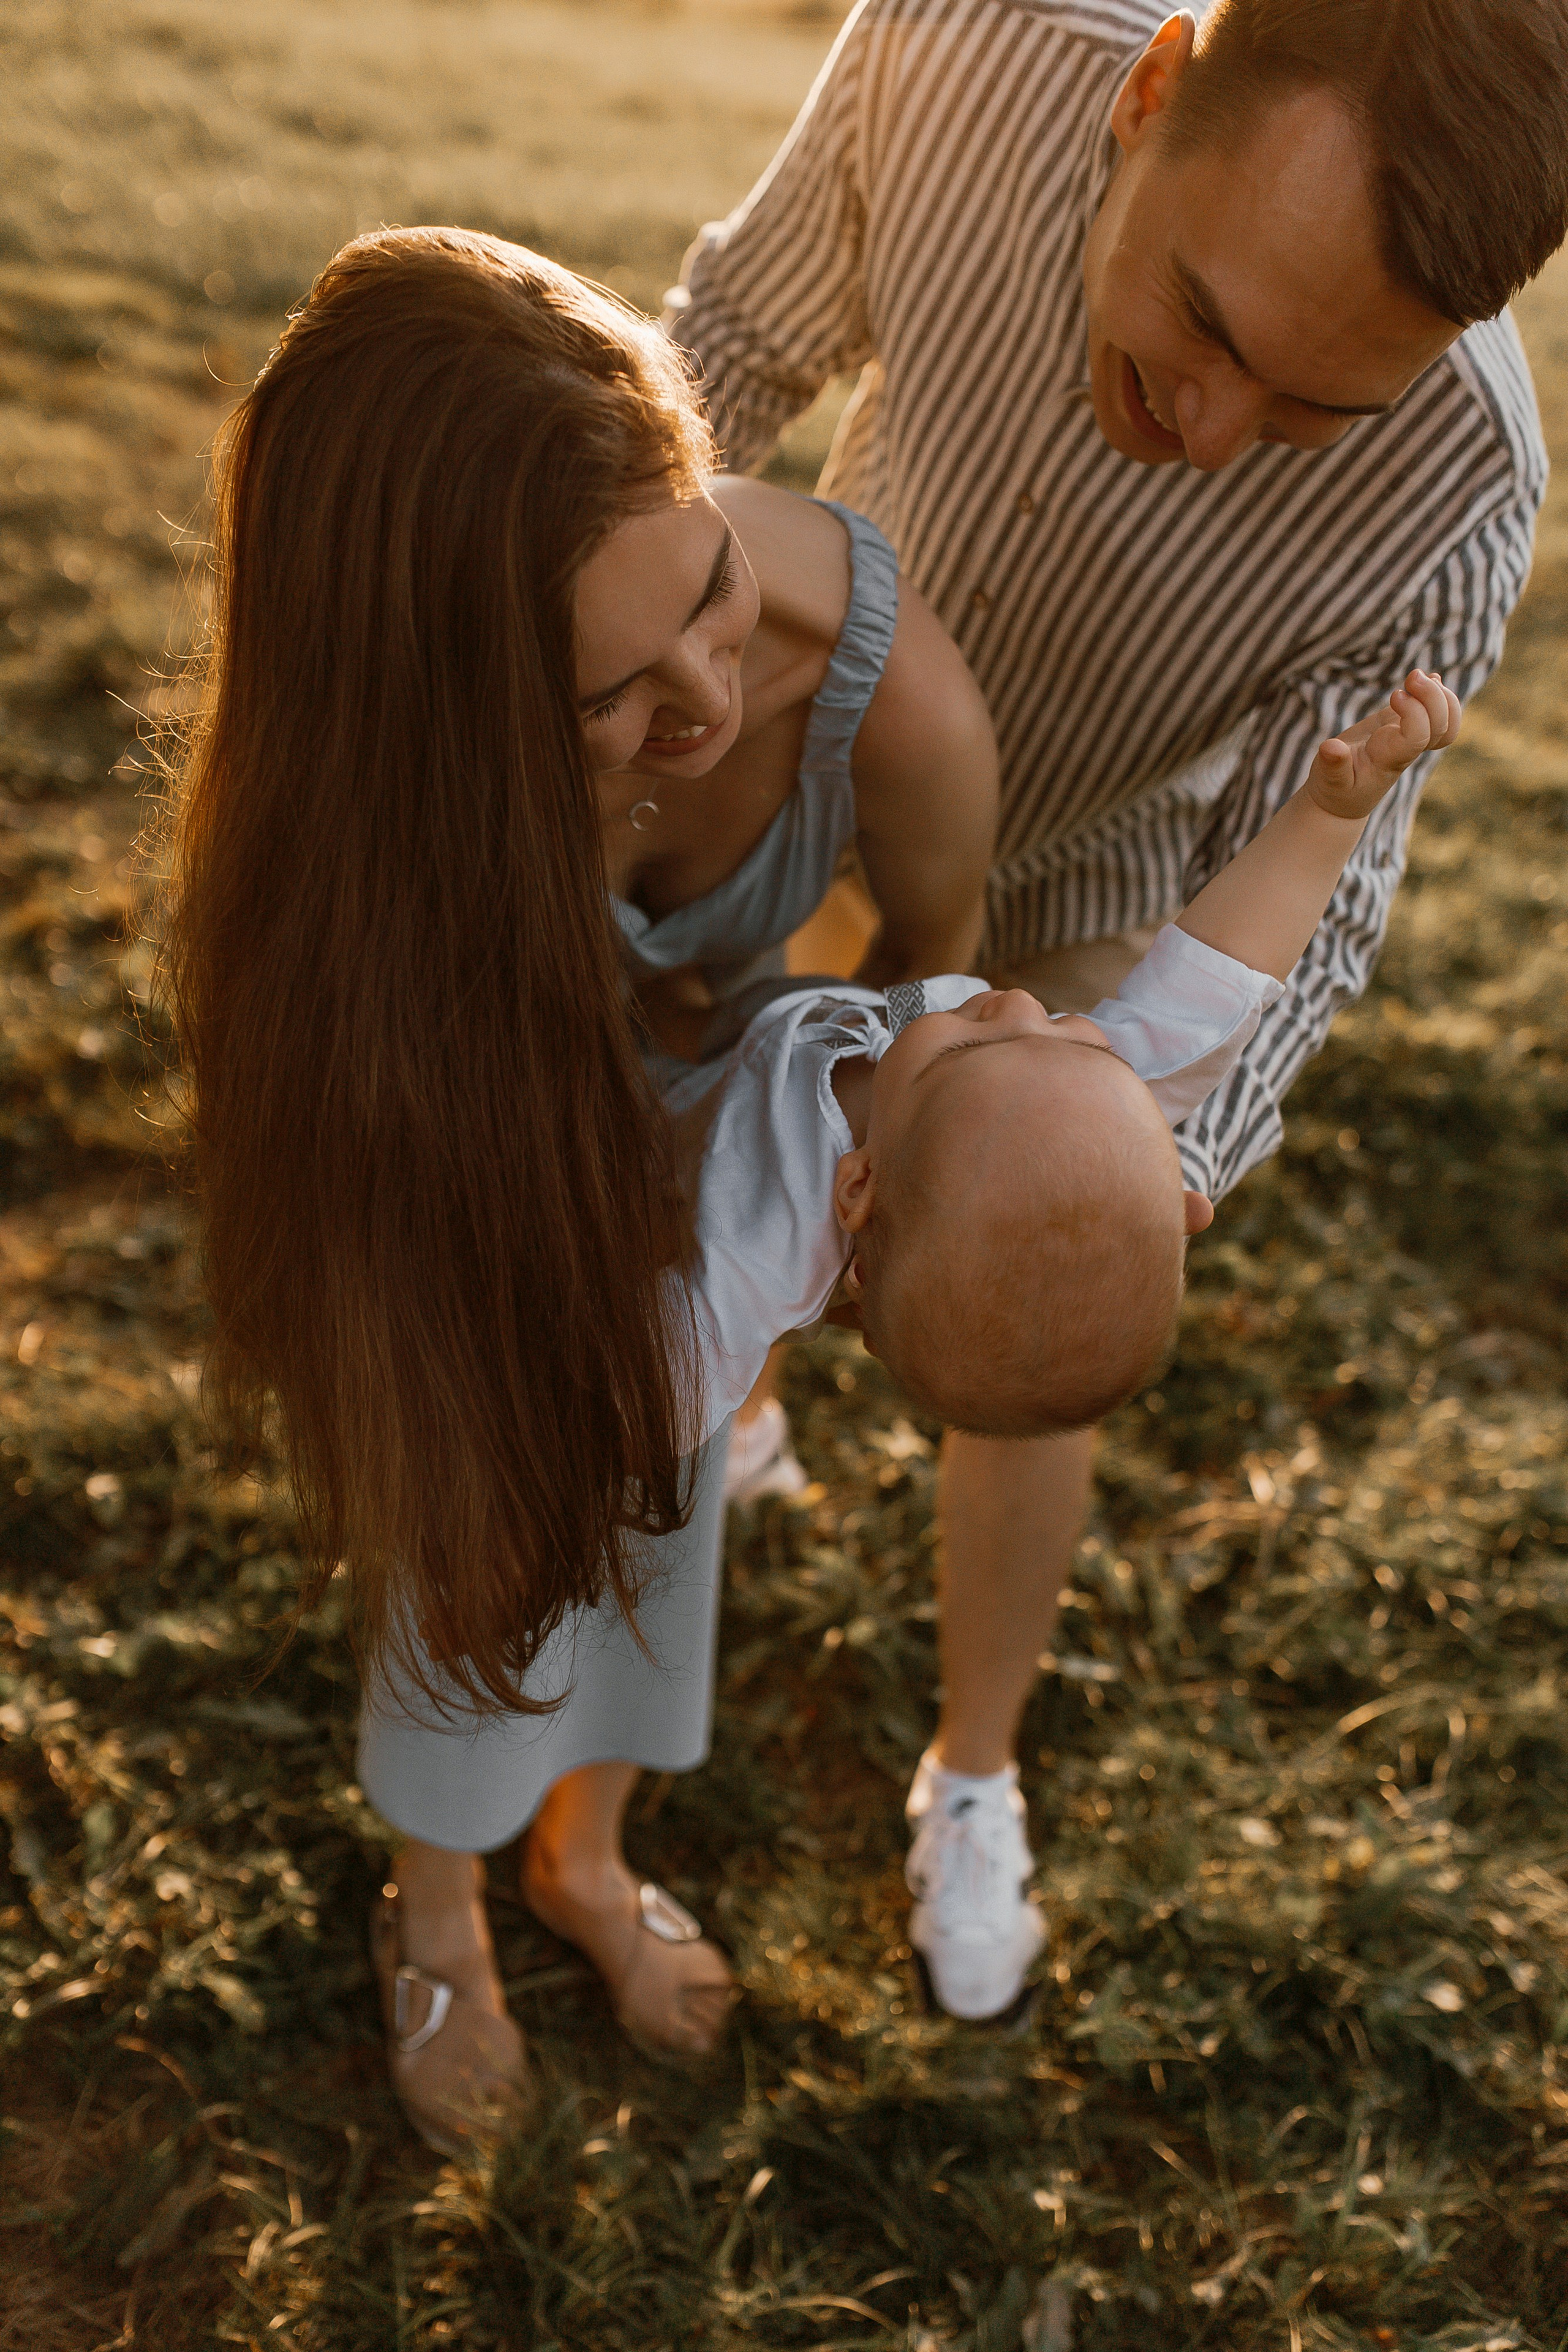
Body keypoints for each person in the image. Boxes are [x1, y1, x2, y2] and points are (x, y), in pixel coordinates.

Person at [668, 0, 1568, 2016]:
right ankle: (718, 1401)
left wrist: (1149, 1161)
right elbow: (721, 355)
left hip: (1092, 886)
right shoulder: (962, 41)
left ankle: (972, 1772)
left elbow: (1317, 896)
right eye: (1212, 328)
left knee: (1047, 1290)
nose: (1214, 429)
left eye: (1316, 409)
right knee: (704, 1121)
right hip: (780, 741)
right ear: (1152, 92)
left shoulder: (1465, 489)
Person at [157, 224, 998, 2154]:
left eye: (710, 589)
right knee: (466, 1552)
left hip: (688, 1219)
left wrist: (823, 1246)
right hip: (461, 1168)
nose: (703, 694)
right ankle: (436, 1902)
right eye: (610, 696)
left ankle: (581, 1862)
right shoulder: (399, 764)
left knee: (659, 1532)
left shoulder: (900, 706)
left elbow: (918, 1029)